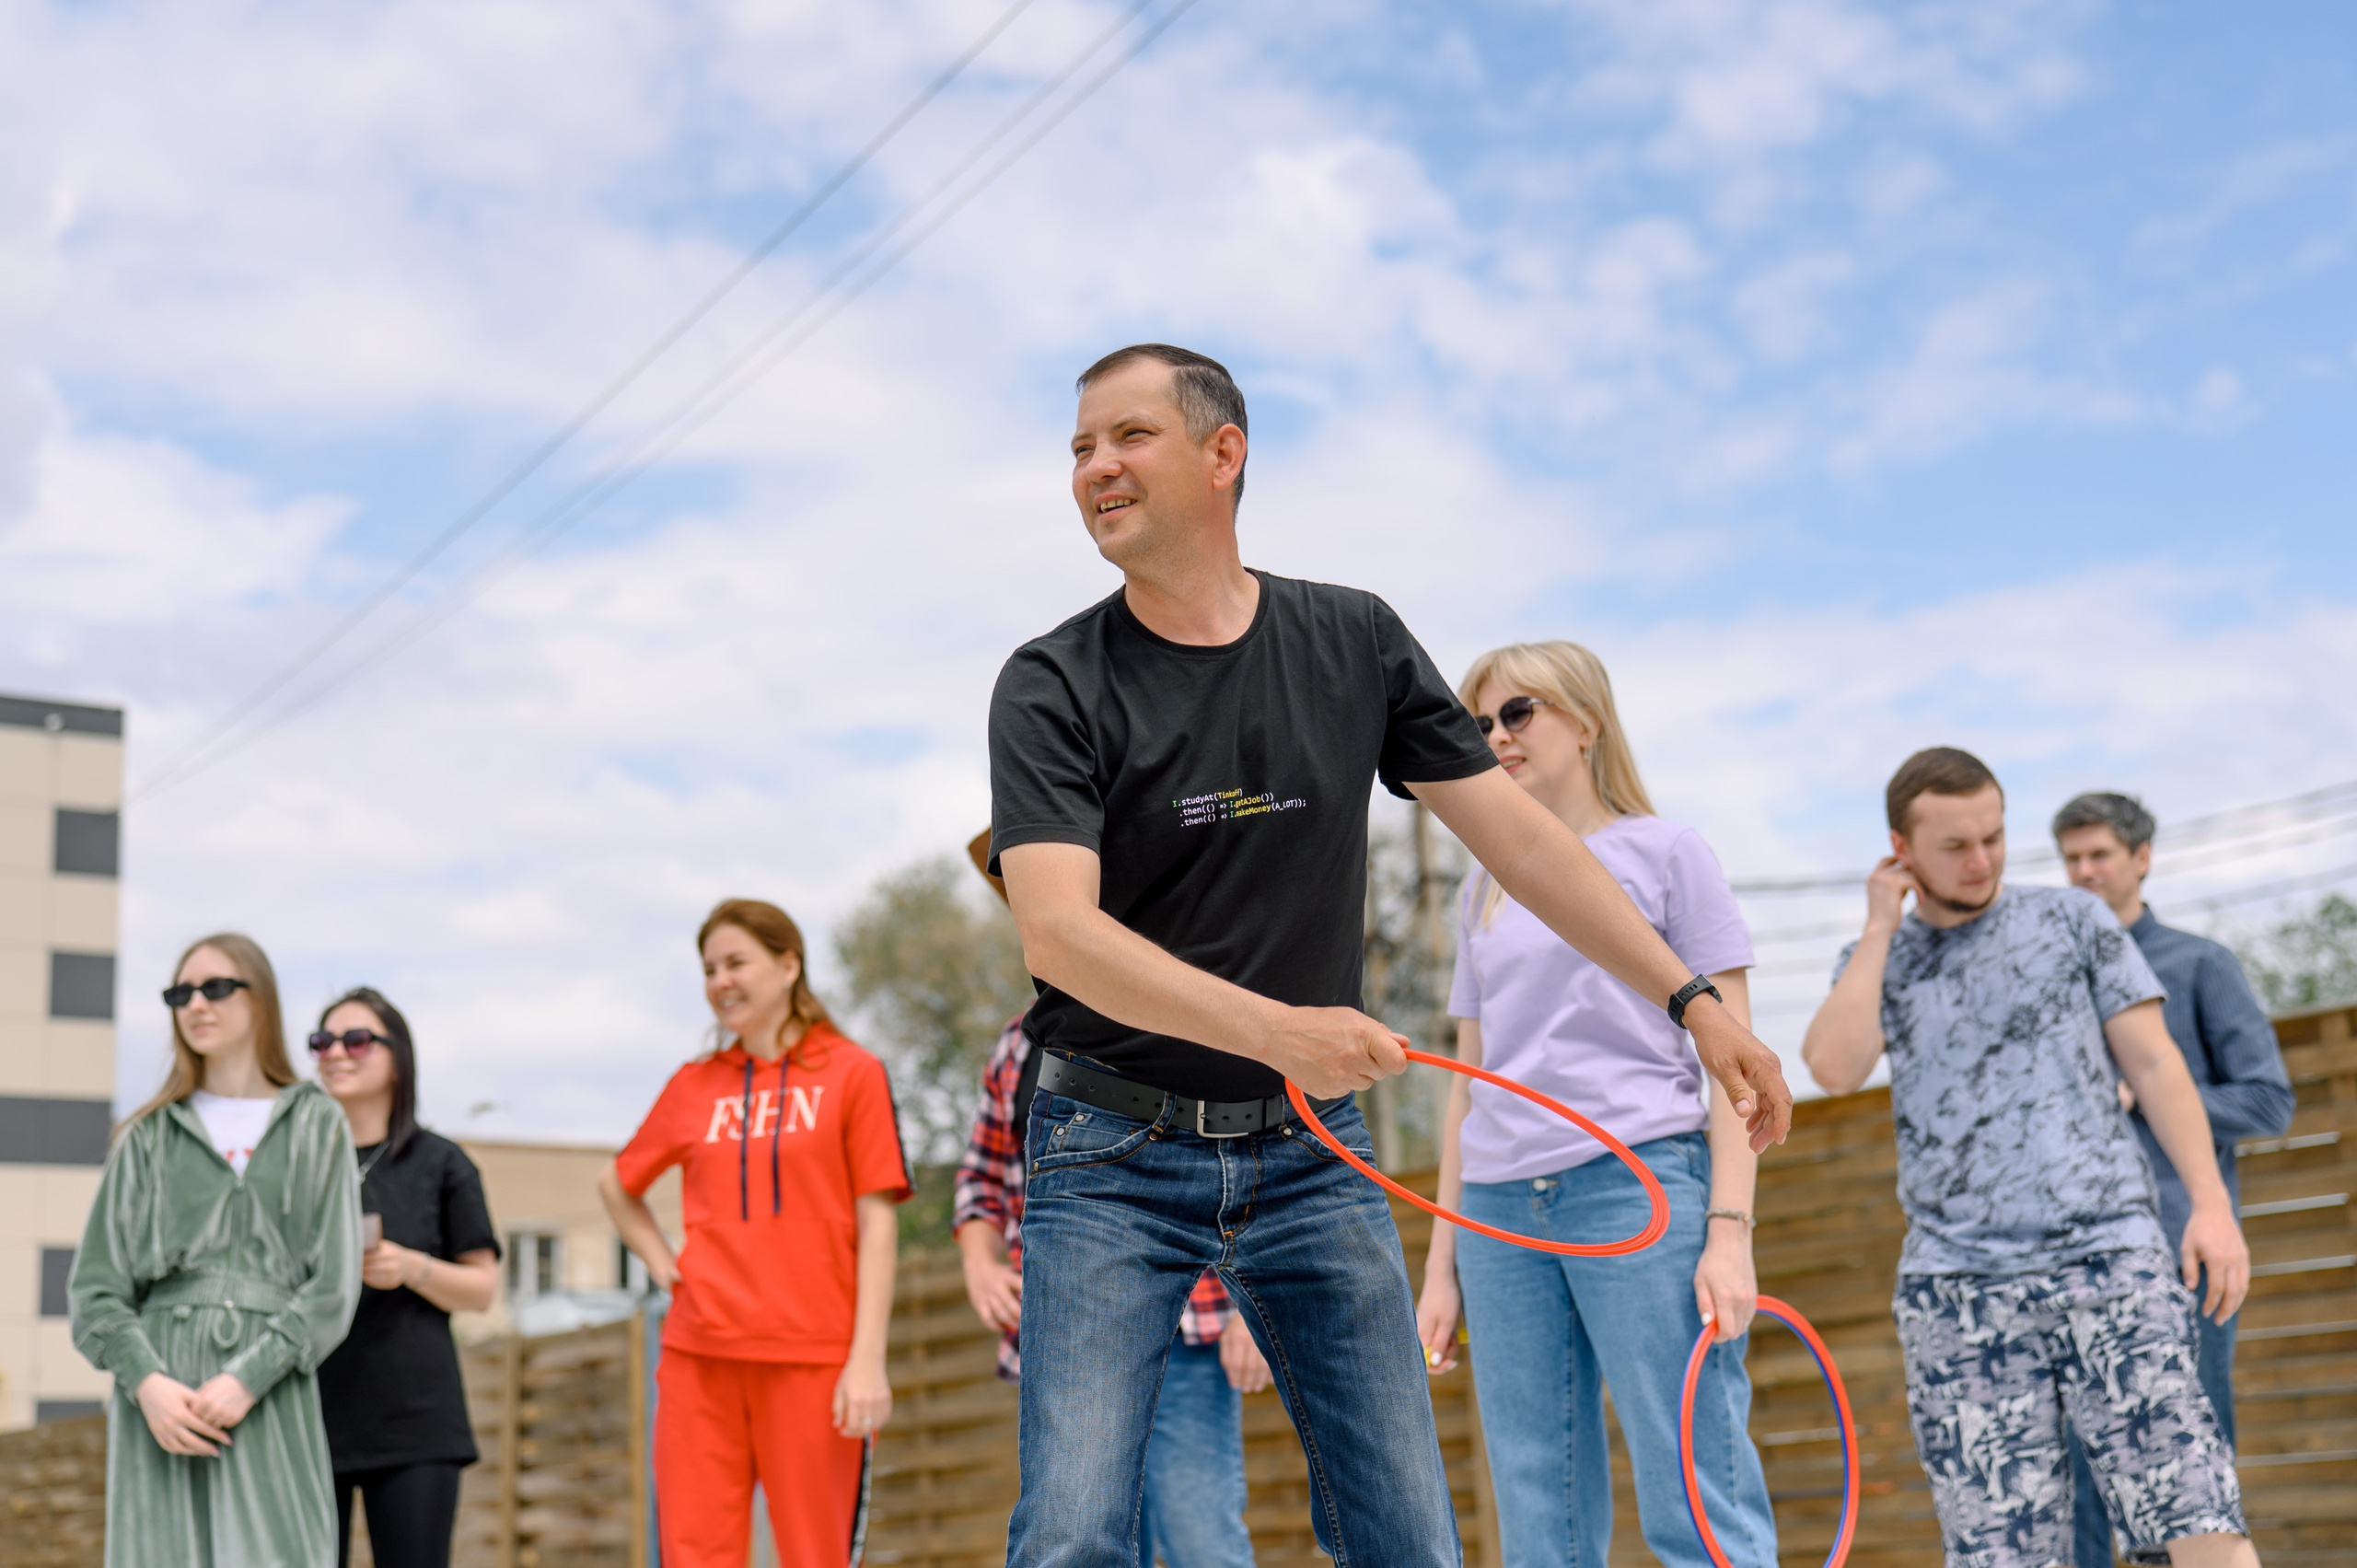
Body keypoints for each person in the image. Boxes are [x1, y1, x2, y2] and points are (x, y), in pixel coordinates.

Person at [987, 343, 1794, 1568]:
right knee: (1075, 1528)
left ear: (1223, 453)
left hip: (1309, 1150)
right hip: (1110, 1145)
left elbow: (1523, 843)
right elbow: (1060, 932)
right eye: (1080, 448)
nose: (1095, 467)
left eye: (1127, 436)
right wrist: (1278, 1031)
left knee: (1407, 1528)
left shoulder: (1349, 640)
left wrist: (1690, 1000)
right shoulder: (1052, 682)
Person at [1802, 749, 2260, 1568]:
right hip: (1959, 1289)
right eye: (1955, 845)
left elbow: (2157, 1066)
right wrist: (1878, 926)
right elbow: (1833, 1067)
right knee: (2001, 1551)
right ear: (1900, 848)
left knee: (2196, 1515)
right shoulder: (1883, 960)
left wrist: (2210, 1207)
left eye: (1995, 835)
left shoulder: (2074, 922)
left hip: (2107, 1258)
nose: (1981, 860)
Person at [1413, 641, 1776, 1568]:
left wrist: (1729, 1227)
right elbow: (1469, 1078)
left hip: (1637, 1183)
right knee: (1534, 1492)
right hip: (1498, 1208)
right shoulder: (1481, 885)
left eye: (1518, 712)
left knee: (1691, 1468)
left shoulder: (1668, 853)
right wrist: (1441, 1264)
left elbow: (1737, 1060)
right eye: (1479, 722)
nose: (1496, 735)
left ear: (1585, 720)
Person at [952, 830, 1270, 1568]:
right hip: (1068, 1337)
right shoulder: (1017, 1046)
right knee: (1079, 1541)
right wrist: (977, 1258)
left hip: (1189, 1333)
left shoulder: (1194, 1014)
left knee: (1202, 1541)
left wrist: (1251, 1309)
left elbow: (1250, 1164)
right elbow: (982, 1177)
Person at [598, 899, 911, 1568]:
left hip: (815, 1357)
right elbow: (617, 1184)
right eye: (709, 969)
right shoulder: (693, 1085)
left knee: (815, 1555)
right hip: (698, 1356)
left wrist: (867, 1358)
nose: (720, 981)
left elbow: (878, 1223)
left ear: (788, 963)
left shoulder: (854, 1072)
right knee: (694, 1554)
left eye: (736, 961)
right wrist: (664, 1264)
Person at [2052, 792, 2294, 1568]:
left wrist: (2150, 1094)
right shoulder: (2054, 981)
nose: (2084, 870)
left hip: (2179, 1256)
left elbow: (2268, 1100)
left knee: (2188, 1475)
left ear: (2141, 857)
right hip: (2061, 1265)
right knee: (2071, 1475)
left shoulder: (2198, 964)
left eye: (2100, 855)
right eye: (2072, 858)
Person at [68, 933, 364, 1568]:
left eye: (216, 987)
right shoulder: (146, 1137)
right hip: (161, 1406)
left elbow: (334, 1285)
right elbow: (95, 1292)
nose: (196, 1004)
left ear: (262, 999)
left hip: (270, 1393)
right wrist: (147, 1383)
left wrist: (246, 1378)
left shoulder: (316, 1122)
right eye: (181, 992)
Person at [310, 986, 503, 1568]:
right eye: (322, 1041)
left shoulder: (441, 1161)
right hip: (310, 1418)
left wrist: (410, 1267)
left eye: (357, 1040)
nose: (336, 1053)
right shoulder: (299, 1166)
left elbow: (482, 1288)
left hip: (414, 1421)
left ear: (399, 1059)